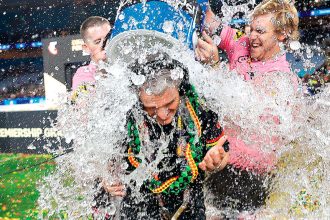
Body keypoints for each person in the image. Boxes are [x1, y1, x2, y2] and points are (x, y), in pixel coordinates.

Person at [94, 52, 230, 219]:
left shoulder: (200, 109)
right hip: (138, 203)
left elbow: (221, 152)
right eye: (152, 108)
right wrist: (106, 178)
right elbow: (101, 157)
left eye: (170, 103)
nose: (163, 115)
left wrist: (217, 161)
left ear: (179, 89)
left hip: (188, 203)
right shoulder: (126, 117)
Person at [72, 16, 111, 91]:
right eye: (98, 42)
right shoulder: (82, 74)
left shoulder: (127, 65)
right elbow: (83, 102)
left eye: (108, 39)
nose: (105, 45)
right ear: (86, 48)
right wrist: (101, 69)